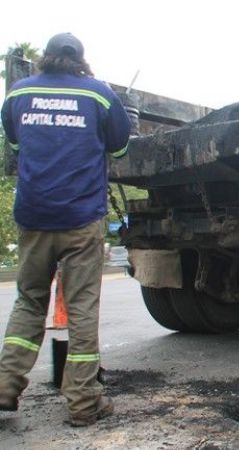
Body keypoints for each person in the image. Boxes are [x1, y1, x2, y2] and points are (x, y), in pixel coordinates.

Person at [0, 33, 131, 426]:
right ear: (80, 60)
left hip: (34, 217)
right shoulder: (99, 95)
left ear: (47, 57)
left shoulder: (17, 95)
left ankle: (6, 386)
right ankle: (83, 403)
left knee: (28, 301)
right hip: (80, 219)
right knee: (82, 308)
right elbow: (121, 146)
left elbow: (16, 144)